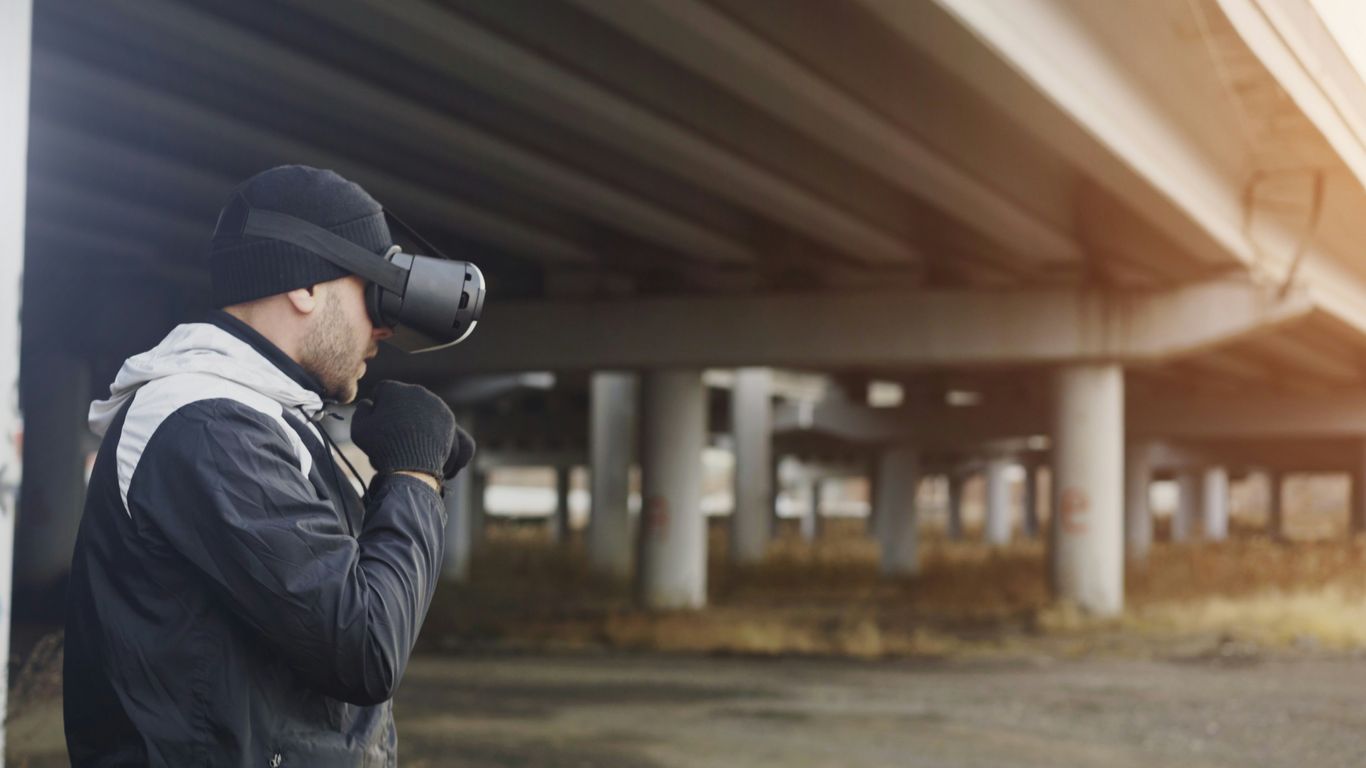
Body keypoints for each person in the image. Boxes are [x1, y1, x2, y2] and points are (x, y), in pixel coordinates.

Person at [63, 166, 472, 766]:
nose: (383, 326)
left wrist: (415, 481)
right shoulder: (204, 424)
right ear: (305, 284)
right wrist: (410, 477)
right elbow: (365, 647)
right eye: (372, 292)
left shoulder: (263, 418)